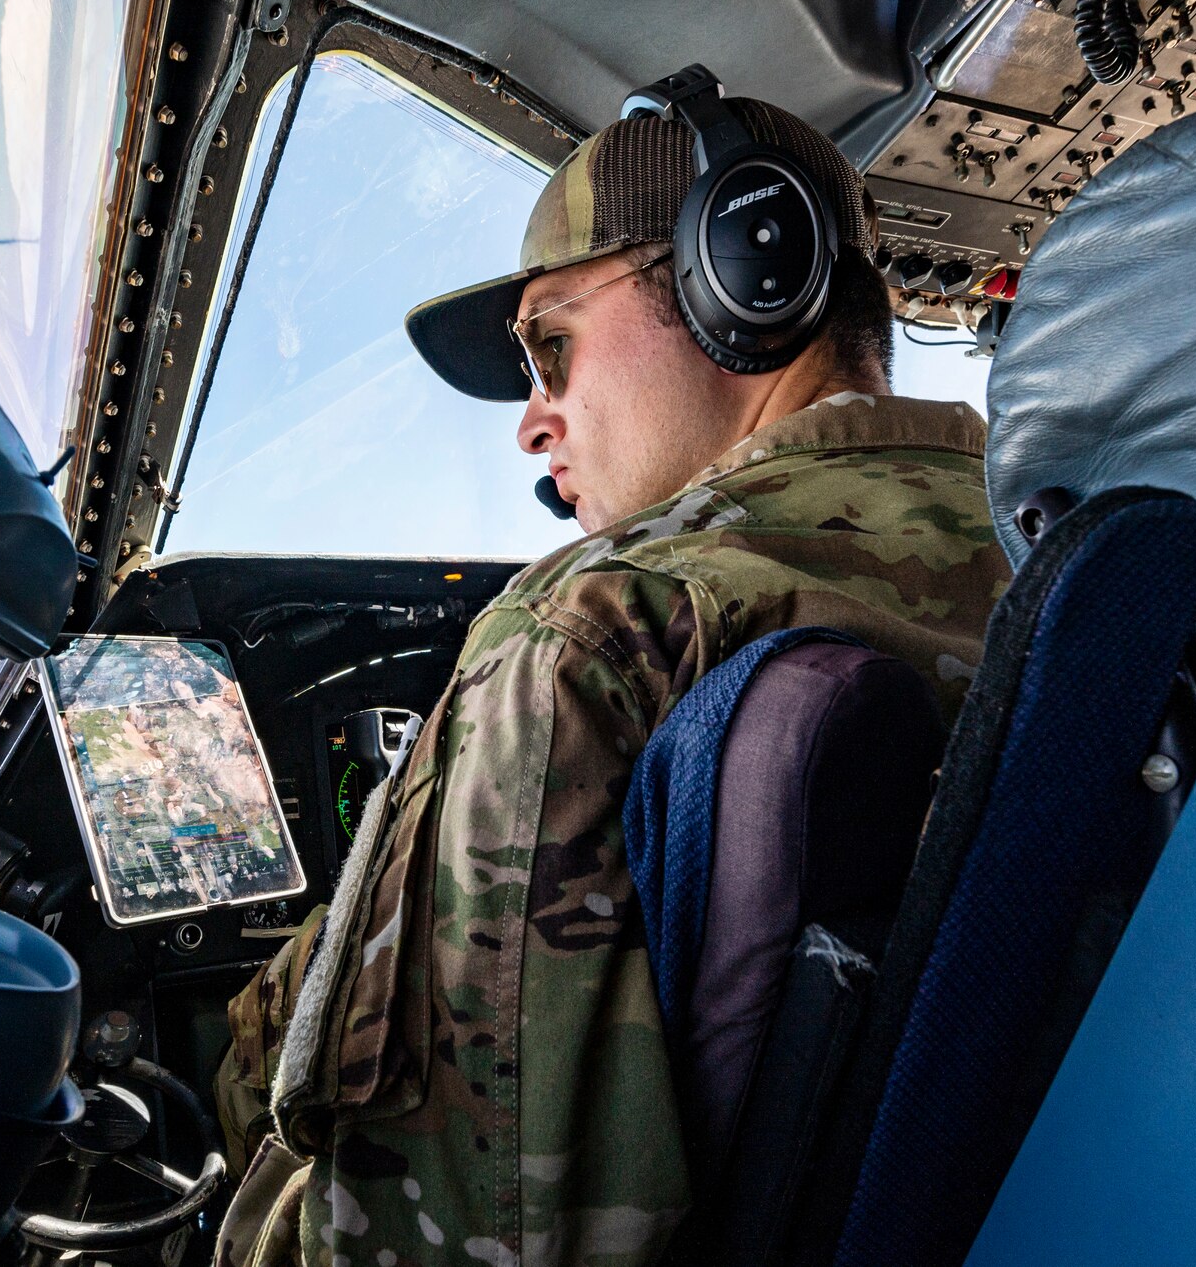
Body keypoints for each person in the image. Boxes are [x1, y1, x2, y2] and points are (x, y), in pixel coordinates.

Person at [213, 89, 1011, 1267]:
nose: (532, 426)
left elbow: (462, 1235)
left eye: (549, 345)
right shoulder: (1063, 566)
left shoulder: (587, 630)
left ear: (745, 266)